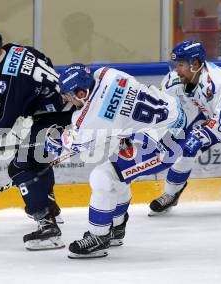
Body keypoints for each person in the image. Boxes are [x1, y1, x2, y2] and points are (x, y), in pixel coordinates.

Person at [46, 63, 187, 258]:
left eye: (70, 95)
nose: (68, 99)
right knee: (118, 173)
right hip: (172, 118)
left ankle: (99, 237)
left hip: (164, 144)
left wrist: (56, 142)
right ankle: (117, 227)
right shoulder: (107, 73)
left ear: (81, 93)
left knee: (103, 177)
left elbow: (75, 142)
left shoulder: (92, 118)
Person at [0, 26, 75, 250]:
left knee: (21, 166)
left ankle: (48, 228)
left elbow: (1, 122)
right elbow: (46, 65)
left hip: (55, 119)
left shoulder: (2, 78)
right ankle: (49, 206)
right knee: (36, 159)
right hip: (69, 109)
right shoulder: (20, 50)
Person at [149, 40, 221, 215]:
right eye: (176, 64)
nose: (176, 69)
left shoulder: (219, 83)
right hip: (212, 116)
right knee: (186, 148)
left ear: (195, 63)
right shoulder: (182, 77)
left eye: (180, 64)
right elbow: (162, 102)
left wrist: (203, 133)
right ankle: (171, 194)